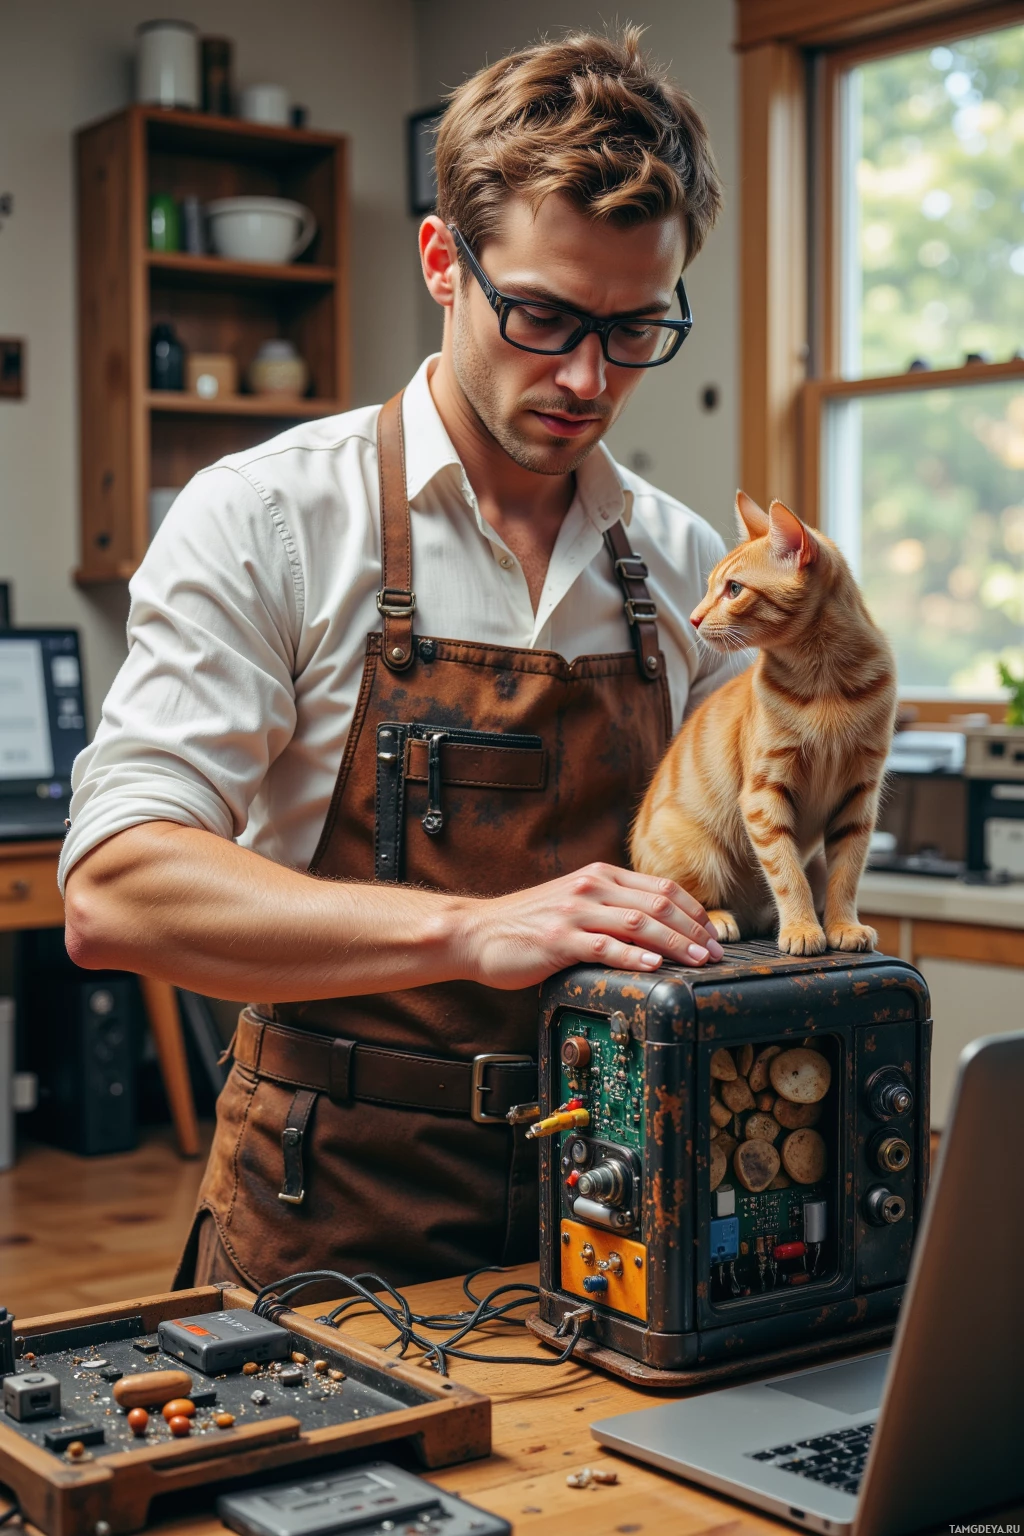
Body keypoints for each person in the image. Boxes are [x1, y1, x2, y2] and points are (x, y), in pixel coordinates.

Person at [62, 27, 743, 1292]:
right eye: (541, 314)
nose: (588, 375)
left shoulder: (678, 559)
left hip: (615, 1224)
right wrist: (468, 929)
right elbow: (117, 893)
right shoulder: (266, 515)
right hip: (331, 1215)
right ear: (444, 262)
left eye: (635, 327)